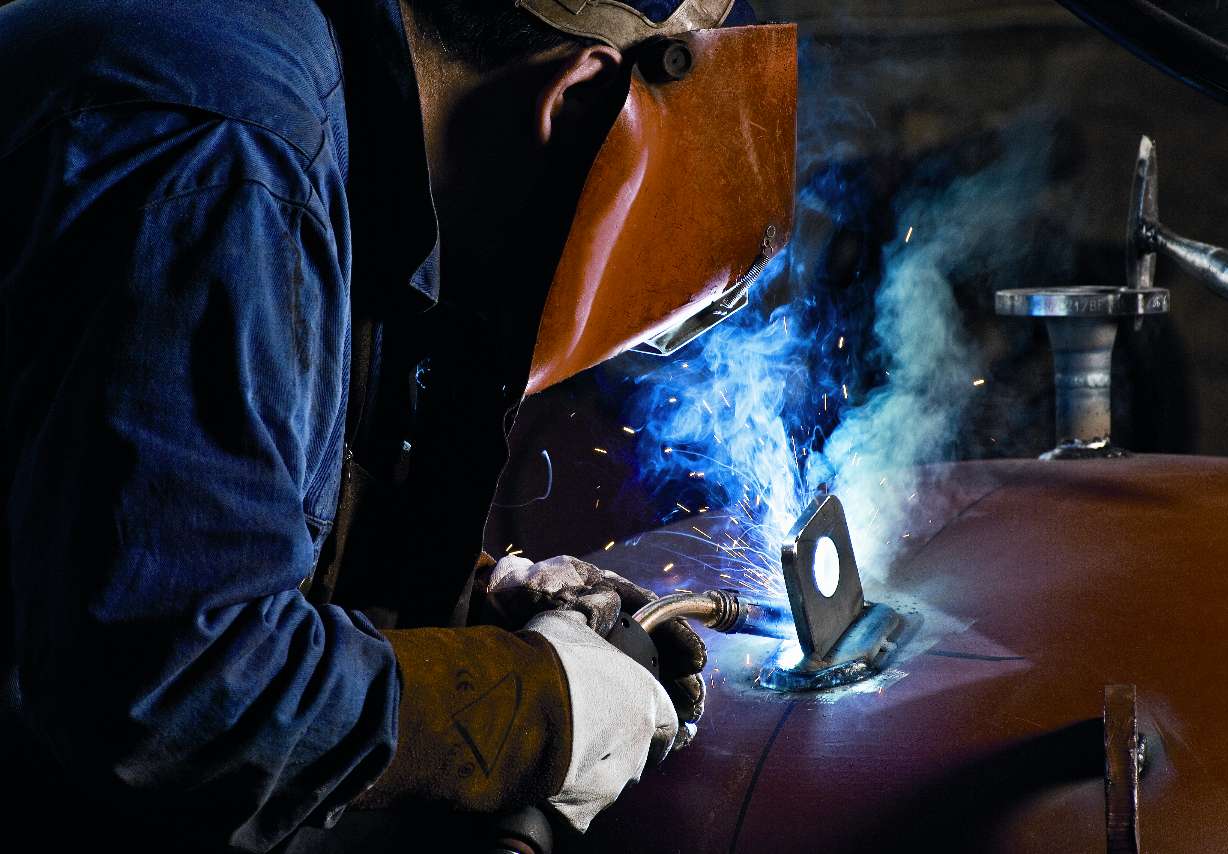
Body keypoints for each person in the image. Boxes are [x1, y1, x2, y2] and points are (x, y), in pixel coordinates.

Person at [0, 0, 795, 850]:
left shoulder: (320, 102)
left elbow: (202, 507)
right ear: (575, 100)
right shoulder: (238, 155)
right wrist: (538, 707)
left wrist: (480, 604)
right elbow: (173, 693)